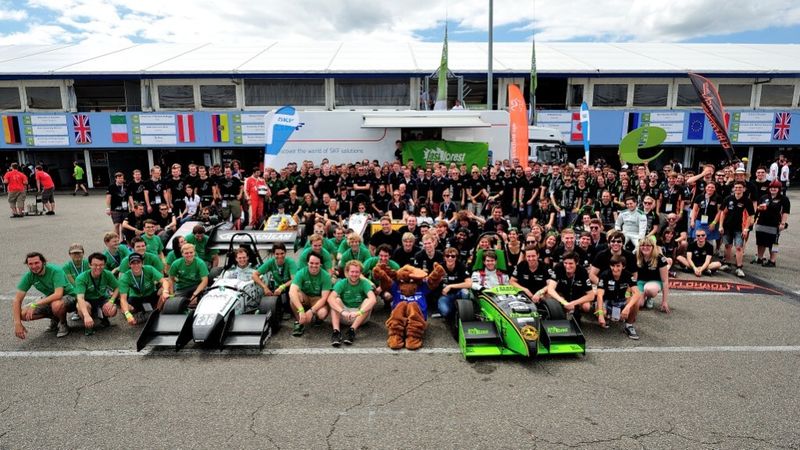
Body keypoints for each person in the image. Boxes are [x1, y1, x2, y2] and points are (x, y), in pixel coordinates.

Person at [13, 252, 76, 339]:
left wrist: (35, 304)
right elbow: (17, 300)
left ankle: (63, 323)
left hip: (70, 297)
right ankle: (55, 317)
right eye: (30, 264)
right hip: (51, 298)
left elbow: (58, 294)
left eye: (36, 263)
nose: (34, 266)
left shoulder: (55, 270)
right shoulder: (29, 276)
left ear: (43, 262)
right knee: (23, 314)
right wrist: (17, 323)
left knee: (56, 305)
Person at [327, 260, 377, 346]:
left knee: (368, 301)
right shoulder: (342, 283)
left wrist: (359, 312)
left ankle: (352, 330)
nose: (354, 274)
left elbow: (373, 299)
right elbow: (330, 299)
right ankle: (336, 332)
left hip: (359, 316)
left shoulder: (364, 283)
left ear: (360, 273)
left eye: (357, 272)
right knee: (336, 300)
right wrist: (343, 312)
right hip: (344, 315)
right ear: (347, 272)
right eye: (352, 271)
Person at [596, 255, 642, 339]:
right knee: (601, 312)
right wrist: (601, 314)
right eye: (613, 265)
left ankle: (629, 325)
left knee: (636, 302)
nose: (615, 268)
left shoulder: (628, 275)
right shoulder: (604, 275)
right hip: (607, 301)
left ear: (623, 266)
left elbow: (637, 293)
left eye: (618, 266)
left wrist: (627, 307)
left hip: (621, 301)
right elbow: (599, 295)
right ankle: (608, 316)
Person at [74, 253, 120, 335]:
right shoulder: (81, 278)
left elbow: (117, 288)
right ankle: (88, 326)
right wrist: (86, 315)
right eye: (95, 265)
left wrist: (111, 301)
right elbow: (80, 298)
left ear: (104, 265)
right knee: (81, 306)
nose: (98, 267)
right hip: (87, 300)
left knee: (112, 310)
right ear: (89, 265)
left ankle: (103, 318)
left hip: (101, 298)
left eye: (101, 265)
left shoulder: (108, 274)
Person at [118, 253, 170, 325]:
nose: (136, 265)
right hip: (136, 297)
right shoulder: (125, 277)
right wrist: (127, 314)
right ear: (129, 265)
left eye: (138, 262)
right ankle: (142, 314)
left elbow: (164, 281)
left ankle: (156, 313)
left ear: (142, 263)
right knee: (125, 309)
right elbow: (123, 299)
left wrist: (165, 291)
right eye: (133, 263)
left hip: (150, 295)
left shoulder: (149, 269)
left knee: (163, 291)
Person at [289, 252, 332, 337]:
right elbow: (292, 291)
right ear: (307, 263)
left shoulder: (326, 276)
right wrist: (301, 310)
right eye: (311, 263)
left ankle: (317, 318)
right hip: (305, 296)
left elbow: (324, 298)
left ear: (321, 264)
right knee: (294, 297)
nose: (314, 265)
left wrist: (312, 311)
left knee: (322, 313)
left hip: (318, 298)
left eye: (317, 263)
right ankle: (300, 321)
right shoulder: (301, 272)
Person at [718, 181, 755, 277]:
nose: (738, 189)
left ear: (744, 189)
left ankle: (739, 267)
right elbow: (723, 213)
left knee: (739, 247)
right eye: (736, 187)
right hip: (727, 227)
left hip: (740, 228)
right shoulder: (728, 199)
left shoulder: (747, 201)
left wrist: (746, 229)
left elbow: (749, 216)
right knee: (727, 246)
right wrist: (721, 225)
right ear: (733, 188)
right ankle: (727, 263)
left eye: (740, 187)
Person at [753, 180, 791, 267]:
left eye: (775, 188)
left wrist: (782, 223)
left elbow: (785, 212)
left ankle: (772, 261)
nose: (773, 189)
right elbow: (757, 209)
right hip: (761, 222)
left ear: (779, 189)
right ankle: (760, 258)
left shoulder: (784, 199)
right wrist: (755, 218)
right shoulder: (764, 197)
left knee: (774, 243)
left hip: (774, 224)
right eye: (772, 187)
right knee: (760, 242)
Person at [545, 252, 595, 319]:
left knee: (586, 307)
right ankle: (563, 309)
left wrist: (573, 303)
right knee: (548, 295)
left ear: (576, 263)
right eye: (565, 263)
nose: (568, 266)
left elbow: (591, 295)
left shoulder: (582, 271)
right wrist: (563, 302)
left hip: (577, 295)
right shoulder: (558, 267)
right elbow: (550, 289)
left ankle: (576, 312)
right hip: (562, 294)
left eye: (571, 263)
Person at [253, 243, 297, 317]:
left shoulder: (290, 262)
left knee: (290, 304)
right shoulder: (271, 262)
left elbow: (294, 279)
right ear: (273, 254)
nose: (280, 256)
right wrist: (265, 287)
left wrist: (282, 287)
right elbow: (254, 275)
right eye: (277, 254)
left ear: (285, 253)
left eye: (282, 253)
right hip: (277, 287)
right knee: (270, 303)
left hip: (290, 286)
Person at [167, 243, 209, 310]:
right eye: (186, 253)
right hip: (182, 287)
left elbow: (205, 281)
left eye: (191, 252)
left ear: (194, 253)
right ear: (182, 254)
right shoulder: (176, 263)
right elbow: (171, 279)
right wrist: (172, 295)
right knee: (173, 305)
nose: (189, 255)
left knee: (205, 299)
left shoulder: (200, 263)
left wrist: (195, 295)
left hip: (196, 285)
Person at [635, 236, 670, 313]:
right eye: (643, 245)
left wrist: (664, 301)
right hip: (640, 282)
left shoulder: (660, 258)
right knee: (639, 304)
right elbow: (633, 276)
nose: (645, 247)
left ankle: (649, 297)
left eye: (648, 245)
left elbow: (665, 281)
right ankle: (642, 297)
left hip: (654, 282)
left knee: (649, 289)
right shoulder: (635, 256)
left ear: (653, 247)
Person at [437, 247, 472, 323]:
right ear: (444, 257)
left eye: (453, 256)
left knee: (465, 292)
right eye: (447, 256)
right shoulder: (440, 267)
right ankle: (455, 310)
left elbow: (469, 283)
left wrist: (450, 286)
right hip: (445, 295)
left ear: (456, 257)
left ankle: (465, 315)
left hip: (459, 293)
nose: (450, 258)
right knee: (445, 312)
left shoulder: (461, 266)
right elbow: (432, 282)